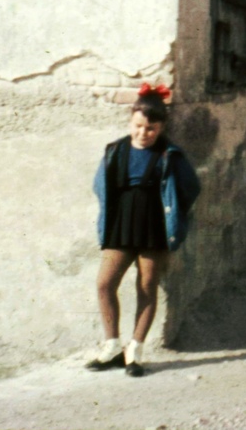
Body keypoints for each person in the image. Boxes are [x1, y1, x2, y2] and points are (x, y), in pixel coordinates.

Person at [86, 82, 201, 377]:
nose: (143, 133)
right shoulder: (115, 150)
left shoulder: (169, 155)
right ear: (131, 121)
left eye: (151, 129)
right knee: (104, 283)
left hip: (154, 225)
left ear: (161, 127)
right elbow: (100, 186)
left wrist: (174, 214)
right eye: (138, 126)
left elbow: (191, 187)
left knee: (147, 286)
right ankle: (112, 345)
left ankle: (135, 351)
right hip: (121, 224)